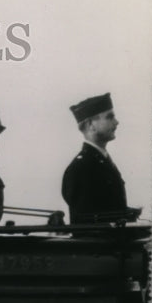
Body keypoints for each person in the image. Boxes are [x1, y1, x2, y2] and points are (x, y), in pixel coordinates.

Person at [61, 93, 141, 224]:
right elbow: (88, 223)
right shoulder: (81, 168)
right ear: (90, 124)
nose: (116, 122)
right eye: (110, 117)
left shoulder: (99, 161)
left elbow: (102, 209)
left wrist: (127, 212)